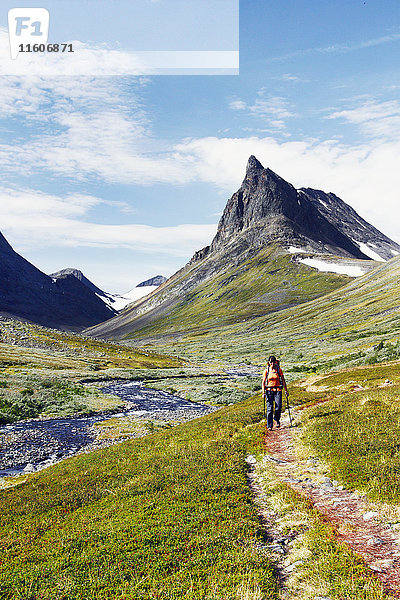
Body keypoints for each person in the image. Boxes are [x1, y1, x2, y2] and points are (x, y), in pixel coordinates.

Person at [262, 355, 289, 431]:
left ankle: (277, 419)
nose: (272, 364)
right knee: (269, 409)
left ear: (275, 362)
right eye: (271, 362)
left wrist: (286, 390)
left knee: (278, 407)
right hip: (269, 391)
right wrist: (263, 392)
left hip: (278, 390)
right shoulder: (266, 371)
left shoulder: (279, 370)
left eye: (273, 362)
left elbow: (283, 380)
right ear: (269, 362)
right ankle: (269, 425)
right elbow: (263, 382)